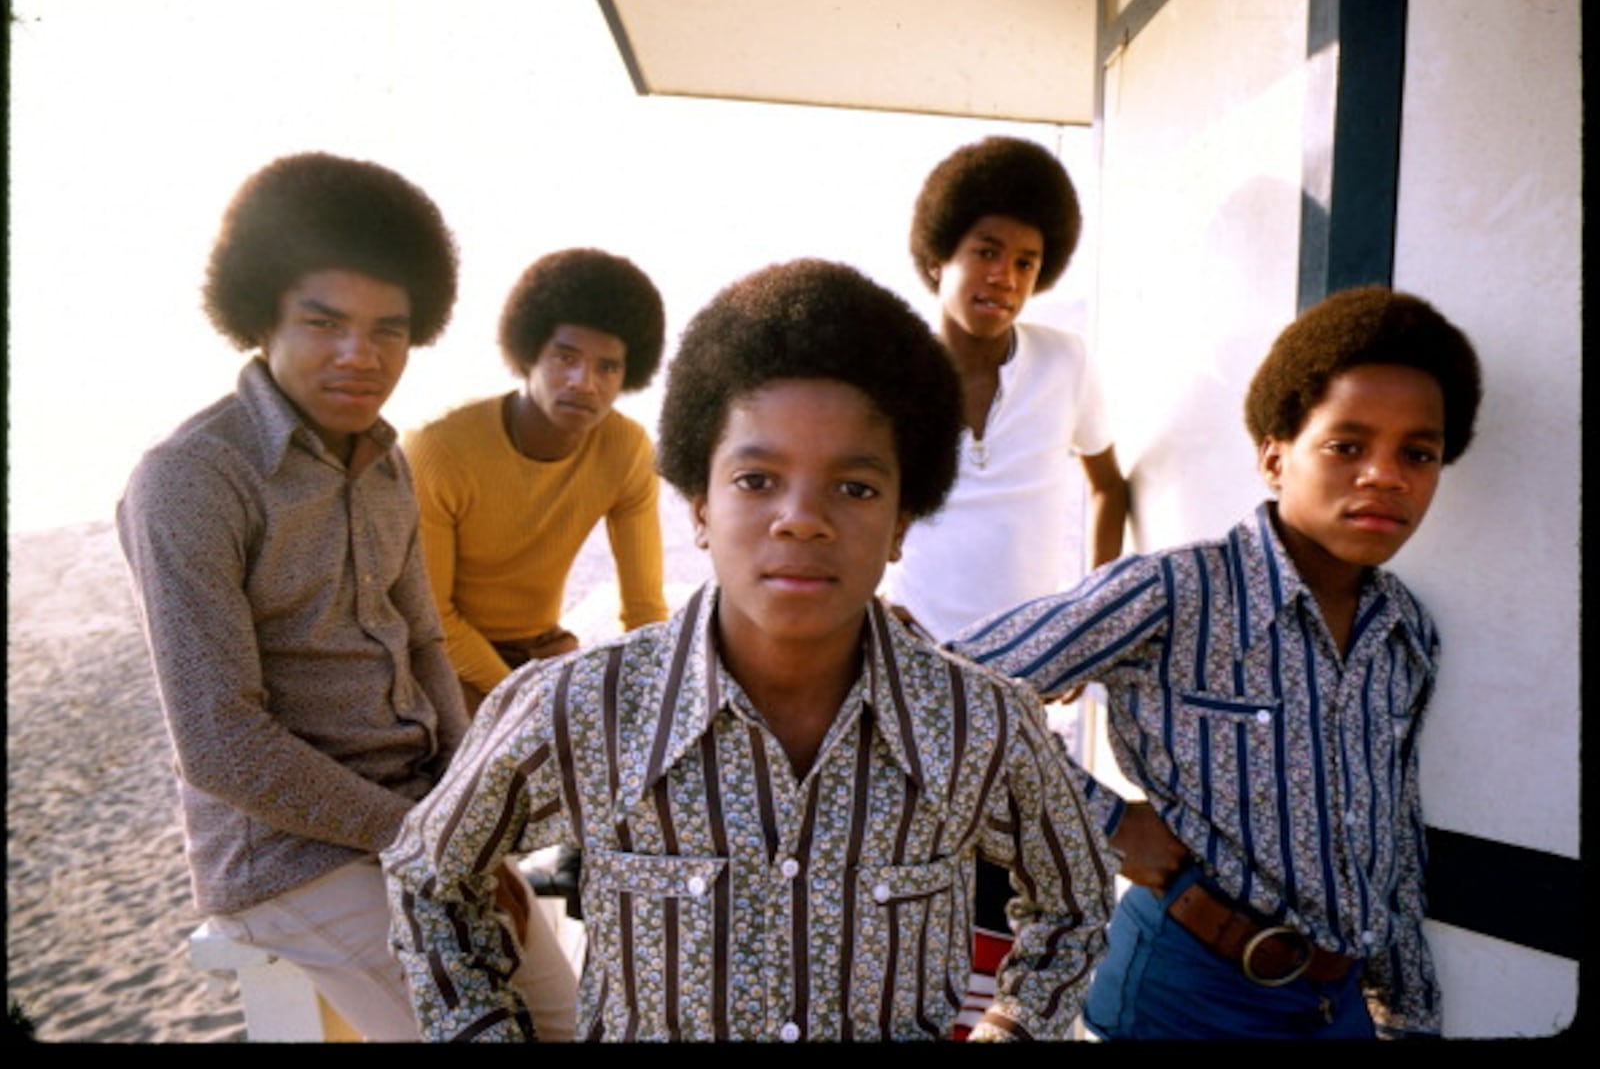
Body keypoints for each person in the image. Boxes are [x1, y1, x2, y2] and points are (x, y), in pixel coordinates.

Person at [382, 258, 1116, 1042]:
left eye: (856, 488)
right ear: (700, 506)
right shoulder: (582, 710)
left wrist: (1011, 1029)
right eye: (758, 479)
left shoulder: (978, 724)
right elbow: (430, 877)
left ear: (904, 521)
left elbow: (1073, 903)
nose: (802, 519)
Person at [117, 151, 575, 1042]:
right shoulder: (189, 480)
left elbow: (424, 646)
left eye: (389, 331)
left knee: (580, 1022)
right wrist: (427, 840)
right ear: (260, 315)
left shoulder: (387, 461)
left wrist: (462, 823)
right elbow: (219, 747)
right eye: (325, 323)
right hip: (286, 853)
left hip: (412, 823)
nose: (360, 357)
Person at [950, 285, 1483, 1039]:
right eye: (1347, 446)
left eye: (1417, 453)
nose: (1384, 475)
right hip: (1186, 988)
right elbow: (940, 694)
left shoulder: (1406, 633)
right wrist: (1103, 823)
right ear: (1275, 455)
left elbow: (1391, 836)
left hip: (1336, 1004)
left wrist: (1407, 1017)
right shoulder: (1176, 593)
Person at [878, 133, 1131, 1031]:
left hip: (1029, 689)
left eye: (1027, 260)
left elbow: (1109, 487)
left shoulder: (1064, 363)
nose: (1005, 277)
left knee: (1016, 908)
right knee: (907, 906)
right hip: (903, 681)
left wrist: (1090, 631)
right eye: (986, 251)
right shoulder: (889, 368)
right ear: (939, 252)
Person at [403, 248, 671, 915]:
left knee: (647, 723)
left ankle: (583, 873)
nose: (585, 381)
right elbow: (432, 616)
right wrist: (523, 698)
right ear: (527, 352)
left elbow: (644, 610)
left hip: (541, 646)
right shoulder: (438, 450)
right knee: (477, 810)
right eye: (565, 357)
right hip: (443, 664)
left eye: (607, 366)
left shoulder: (627, 449)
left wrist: (660, 698)